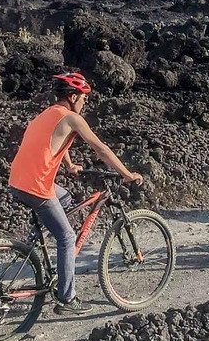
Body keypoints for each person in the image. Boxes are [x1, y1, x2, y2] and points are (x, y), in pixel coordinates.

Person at [8, 73, 142, 317]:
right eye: (83, 98)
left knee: (66, 197)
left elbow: (55, 143)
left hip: (17, 180)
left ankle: (36, 237)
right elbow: (101, 149)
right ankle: (67, 298)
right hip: (37, 185)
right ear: (72, 97)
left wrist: (69, 166)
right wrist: (126, 173)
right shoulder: (72, 118)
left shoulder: (46, 114)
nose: (85, 103)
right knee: (67, 238)